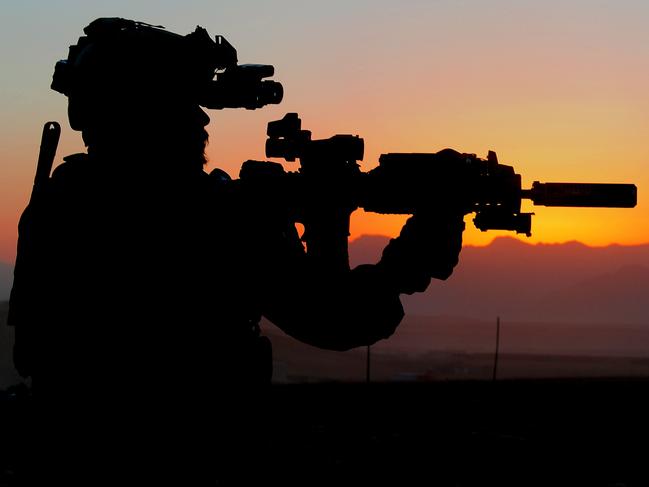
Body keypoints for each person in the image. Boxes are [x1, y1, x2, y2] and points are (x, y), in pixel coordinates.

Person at [8, 18, 465, 485]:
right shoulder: (216, 218)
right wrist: (407, 264)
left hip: (70, 456)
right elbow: (334, 319)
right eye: (186, 106)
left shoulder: (58, 203)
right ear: (145, 115)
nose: (203, 121)